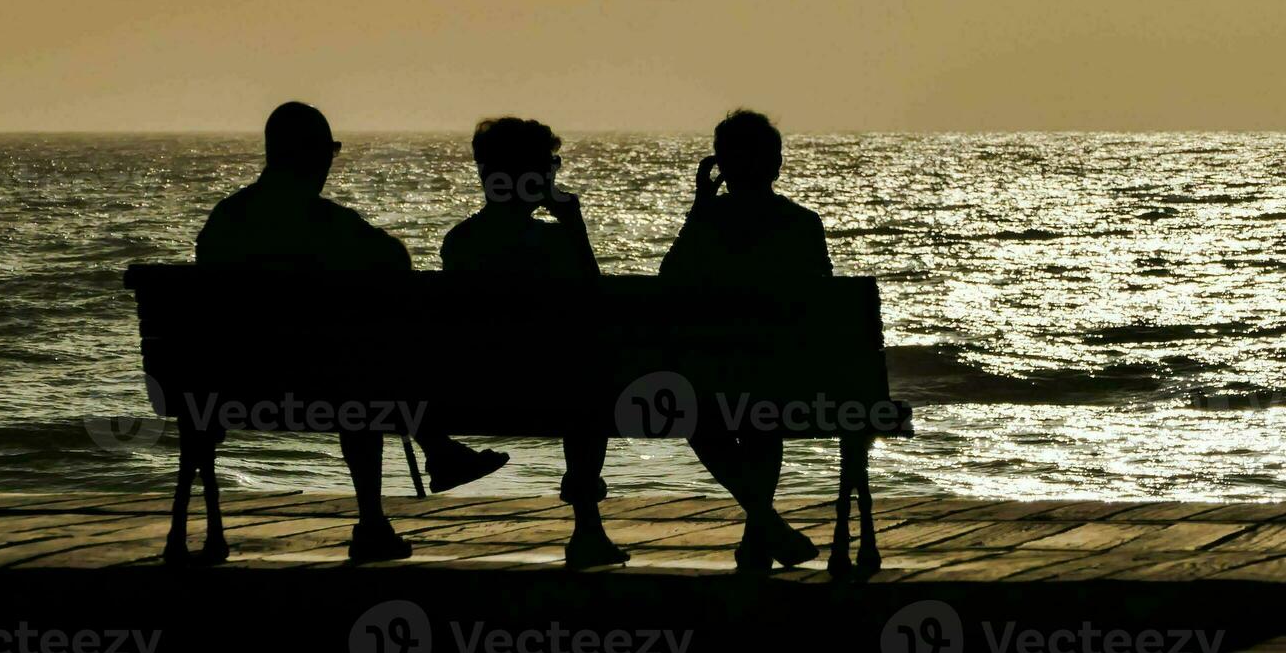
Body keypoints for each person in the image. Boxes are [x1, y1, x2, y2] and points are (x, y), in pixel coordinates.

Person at [196, 102, 508, 563]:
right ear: (314, 156)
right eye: (329, 151)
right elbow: (396, 262)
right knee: (361, 370)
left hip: (224, 387)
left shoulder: (225, 220)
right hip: (321, 386)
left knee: (356, 367)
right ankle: (405, 486)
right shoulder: (328, 224)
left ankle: (435, 455)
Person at [440, 116, 628, 570]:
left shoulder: (459, 242)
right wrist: (574, 223)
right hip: (554, 393)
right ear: (539, 177)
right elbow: (595, 304)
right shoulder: (555, 243)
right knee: (589, 385)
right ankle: (586, 528)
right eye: (550, 165)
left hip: (469, 394)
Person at [660, 109, 828, 570]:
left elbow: (667, 281)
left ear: (720, 168)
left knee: (693, 410)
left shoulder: (708, 224)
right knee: (761, 415)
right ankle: (761, 529)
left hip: (710, 379)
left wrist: (699, 209)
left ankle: (763, 524)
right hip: (783, 378)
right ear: (776, 165)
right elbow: (821, 306)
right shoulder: (802, 224)